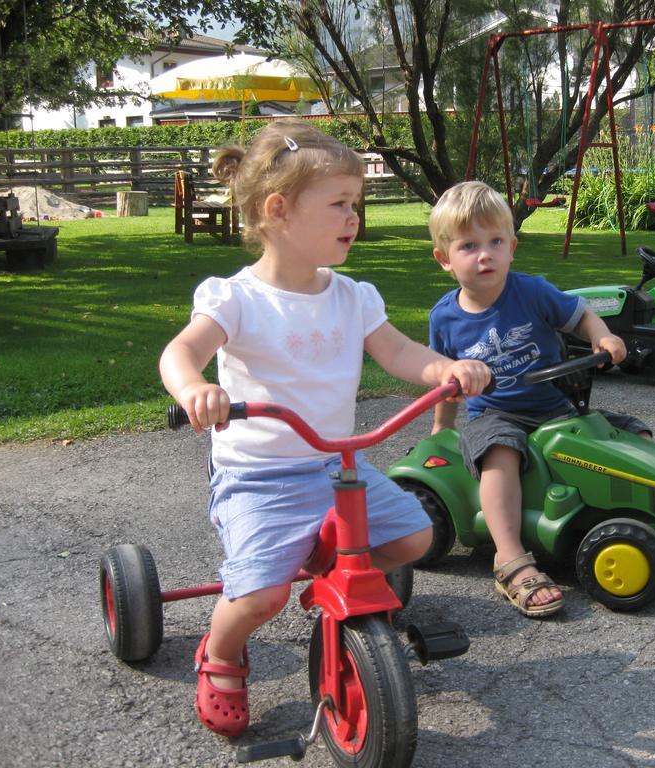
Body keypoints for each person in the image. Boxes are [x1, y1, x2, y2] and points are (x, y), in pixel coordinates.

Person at [159, 121, 491, 738]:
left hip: (335, 467)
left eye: (355, 204)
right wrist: (196, 388)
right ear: (278, 211)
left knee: (415, 538)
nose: (353, 218)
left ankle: (328, 567)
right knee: (262, 597)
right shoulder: (236, 299)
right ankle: (221, 652)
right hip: (260, 475)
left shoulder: (352, 296)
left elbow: (397, 352)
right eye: (339, 204)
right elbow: (179, 353)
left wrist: (444, 367)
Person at [427, 181, 652, 619]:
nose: (485, 254)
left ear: (512, 246)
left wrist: (602, 335)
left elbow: (582, 314)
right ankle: (510, 557)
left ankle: (635, 514)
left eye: (495, 241)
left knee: (631, 431)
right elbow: (444, 379)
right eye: (469, 245)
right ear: (445, 259)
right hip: (495, 414)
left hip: (557, 406)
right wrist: (441, 427)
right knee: (500, 454)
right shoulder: (444, 318)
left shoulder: (532, 292)